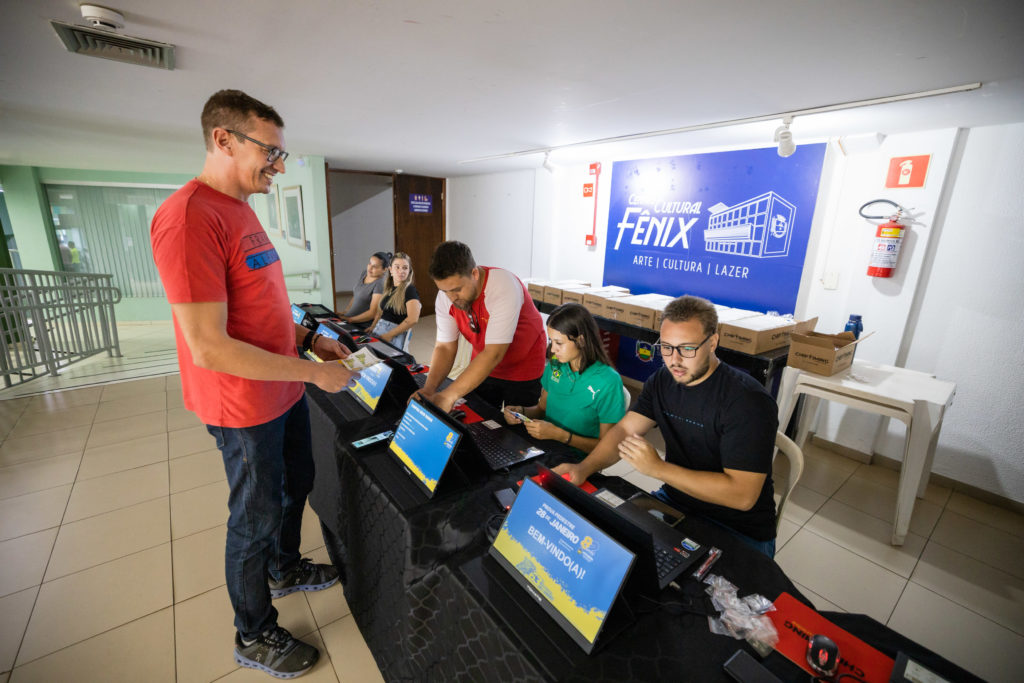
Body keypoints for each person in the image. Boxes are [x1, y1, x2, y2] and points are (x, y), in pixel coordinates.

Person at [151, 89, 358, 679]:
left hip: (282, 391)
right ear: (224, 139)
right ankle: (254, 631)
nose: (279, 166)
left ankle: (284, 568)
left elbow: (261, 303)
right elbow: (209, 346)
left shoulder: (241, 208)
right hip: (241, 405)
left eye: (281, 154)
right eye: (271, 152)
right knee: (254, 517)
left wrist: (308, 337)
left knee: (299, 483)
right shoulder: (188, 218)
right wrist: (315, 372)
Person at [554, 295, 779, 557]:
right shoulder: (662, 380)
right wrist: (583, 468)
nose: (675, 360)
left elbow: (742, 495)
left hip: (736, 527)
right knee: (606, 549)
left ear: (713, 342)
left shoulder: (747, 401)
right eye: (667, 347)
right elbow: (624, 431)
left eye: (687, 348)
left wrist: (657, 468)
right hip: (676, 502)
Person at [417, 241, 546, 412]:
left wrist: (449, 395)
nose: (451, 297)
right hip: (482, 361)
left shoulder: (502, 286)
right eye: (444, 290)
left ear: (475, 273)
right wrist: (429, 390)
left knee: (516, 424)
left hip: (523, 365)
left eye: (457, 289)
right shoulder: (445, 297)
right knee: (477, 418)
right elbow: (445, 347)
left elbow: (494, 353)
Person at [503, 302, 626, 455]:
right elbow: (542, 409)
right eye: (551, 341)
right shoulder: (556, 365)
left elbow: (607, 448)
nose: (553, 349)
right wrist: (521, 412)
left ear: (581, 340)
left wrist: (561, 436)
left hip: (575, 460)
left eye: (559, 343)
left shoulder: (608, 381)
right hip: (543, 449)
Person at [368, 251, 421, 352]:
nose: (401, 271)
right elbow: (381, 312)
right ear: (390, 270)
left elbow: (413, 319)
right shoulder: (389, 288)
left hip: (392, 335)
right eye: (397, 267)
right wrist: (373, 326)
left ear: (409, 271)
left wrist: (389, 335)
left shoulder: (409, 290)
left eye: (405, 268)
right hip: (379, 331)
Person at [339, 251, 389, 325]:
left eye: (375, 266)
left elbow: (372, 313)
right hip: (349, 318)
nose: (370, 268)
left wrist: (349, 320)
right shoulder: (365, 273)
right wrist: (345, 311)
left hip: (361, 323)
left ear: (384, 269)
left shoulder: (380, 284)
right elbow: (356, 295)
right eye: (370, 263)